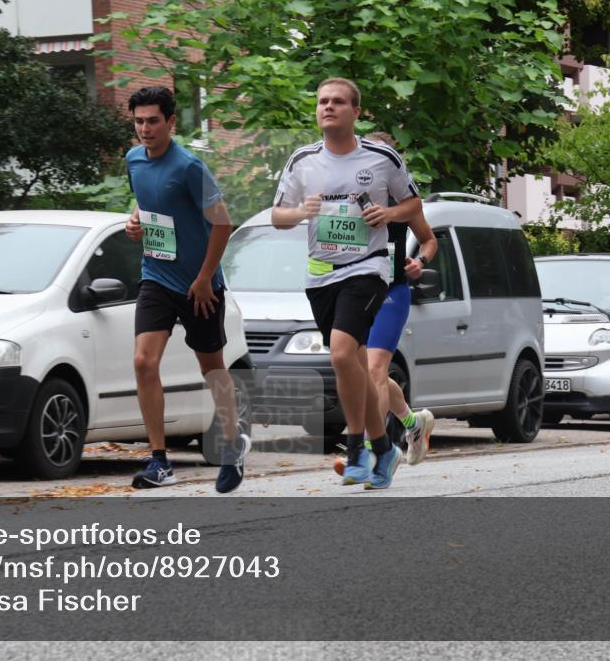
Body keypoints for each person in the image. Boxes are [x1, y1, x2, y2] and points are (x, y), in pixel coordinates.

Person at [271, 78, 421, 489]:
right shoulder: (302, 160)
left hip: (368, 268)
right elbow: (277, 217)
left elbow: (413, 204)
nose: (328, 107)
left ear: (356, 111)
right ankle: (383, 447)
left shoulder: (381, 157)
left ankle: (356, 448)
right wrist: (303, 211)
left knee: (340, 354)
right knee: (351, 363)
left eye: (338, 102)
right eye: (322, 101)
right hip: (321, 275)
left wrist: (388, 216)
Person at [124, 86, 250, 493]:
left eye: (153, 121)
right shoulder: (133, 161)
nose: (145, 129)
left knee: (211, 368)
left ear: (171, 122)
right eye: (139, 121)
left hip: (200, 287)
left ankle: (233, 446)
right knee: (144, 361)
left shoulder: (189, 167)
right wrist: (134, 221)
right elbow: (147, 203)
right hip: (157, 276)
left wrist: (202, 278)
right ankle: (160, 461)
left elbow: (222, 223)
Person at [362, 132, 436, 467]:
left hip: (392, 291)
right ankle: (413, 423)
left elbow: (429, 240)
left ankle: (370, 453)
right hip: (356, 292)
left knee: (375, 370)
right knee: (367, 373)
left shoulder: (402, 200)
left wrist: (419, 262)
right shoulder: (353, 196)